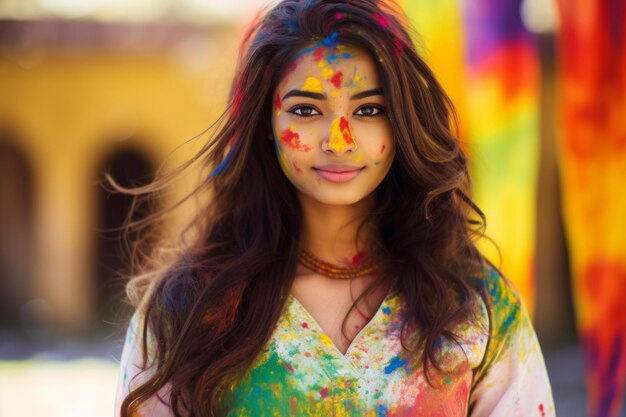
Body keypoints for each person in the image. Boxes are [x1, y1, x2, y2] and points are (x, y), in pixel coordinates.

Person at [114, 0, 555, 416]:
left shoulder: (475, 307)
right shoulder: (188, 310)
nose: (339, 141)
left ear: (401, 121)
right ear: (267, 123)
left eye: (368, 110)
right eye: (306, 109)